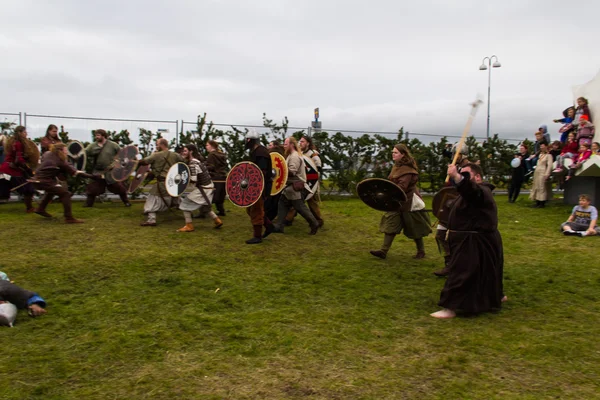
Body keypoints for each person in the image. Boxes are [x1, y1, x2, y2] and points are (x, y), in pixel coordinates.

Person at [431, 163, 505, 319]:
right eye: (461, 174)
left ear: (477, 177)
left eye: (466, 175)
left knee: (461, 273)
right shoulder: (472, 192)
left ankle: (450, 308)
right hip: (476, 240)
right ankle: (495, 298)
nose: (463, 178)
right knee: (486, 273)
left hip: (474, 242)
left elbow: (472, 191)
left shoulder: (481, 191)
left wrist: (457, 177)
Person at [369, 144, 431, 260]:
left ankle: (421, 251)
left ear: (403, 155)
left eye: (396, 152)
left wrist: (388, 194)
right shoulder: (397, 166)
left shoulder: (406, 170)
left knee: (414, 228)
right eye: (392, 152)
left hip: (408, 202)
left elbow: (402, 187)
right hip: (396, 201)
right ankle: (383, 251)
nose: (393, 154)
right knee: (391, 224)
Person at [32, 143, 96, 223]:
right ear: (60, 151)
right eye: (65, 150)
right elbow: (74, 171)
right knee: (65, 194)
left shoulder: (47, 153)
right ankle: (69, 218)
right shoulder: (60, 159)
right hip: (45, 181)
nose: (66, 152)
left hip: (36, 179)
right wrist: (92, 176)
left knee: (51, 191)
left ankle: (40, 209)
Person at [272, 136, 319, 236]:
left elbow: (292, 172)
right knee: (282, 203)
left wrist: (278, 172)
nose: (284, 145)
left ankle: (314, 223)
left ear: (292, 145)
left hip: (296, 187)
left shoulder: (294, 156)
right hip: (290, 187)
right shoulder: (290, 155)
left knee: (300, 208)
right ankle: (279, 226)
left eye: (286, 143)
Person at [177, 144, 223, 232]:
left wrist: (182, 180)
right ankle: (217, 220)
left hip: (204, 188)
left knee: (184, 204)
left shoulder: (193, 163)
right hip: (208, 186)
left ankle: (189, 225)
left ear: (191, 152)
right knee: (205, 206)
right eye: (183, 151)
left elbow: (193, 179)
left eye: (186, 151)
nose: (183, 152)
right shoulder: (196, 161)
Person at [138, 138, 183, 226]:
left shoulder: (156, 155)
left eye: (157, 144)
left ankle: (151, 220)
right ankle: (187, 211)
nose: (156, 146)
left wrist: (137, 161)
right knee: (176, 197)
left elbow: (144, 162)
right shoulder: (175, 155)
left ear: (162, 145)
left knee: (151, 200)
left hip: (162, 182)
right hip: (174, 182)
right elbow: (183, 163)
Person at [285, 135, 325, 228]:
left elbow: (318, 167)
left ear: (308, 143)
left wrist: (313, 180)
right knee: (295, 199)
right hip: (301, 181)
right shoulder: (300, 153)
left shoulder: (313, 154)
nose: (300, 143)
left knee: (311, 202)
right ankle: (288, 219)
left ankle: (318, 220)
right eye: (300, 141)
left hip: (311, 183)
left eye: (303, 141)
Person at [84, 129, 131, 208]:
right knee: (92, 188)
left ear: (103, 136)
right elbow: (84, 153)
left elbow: (122, 154)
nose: (96, 137)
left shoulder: (113, 145)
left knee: (119, 188)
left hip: (111, 171)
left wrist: (121, 163)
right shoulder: (92, 146)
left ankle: (126, 202)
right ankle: (89, 204)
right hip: (98, 171)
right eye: (96, 135)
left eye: (98, 135)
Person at [243, 130, 275, 244]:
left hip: (260, 186)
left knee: (255, 209)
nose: (246, 141)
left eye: (247, 139)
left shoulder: (261, 152)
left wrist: (254, 184)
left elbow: (261, 172)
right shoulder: (256, 151)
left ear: (251, 140)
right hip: (256, 185)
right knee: (250, 209)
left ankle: (258, 236)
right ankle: (269, 225)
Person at [0, 126, 37, 211]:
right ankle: (29, 208)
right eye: (24, 132)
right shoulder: (18, 144)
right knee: (28, 188)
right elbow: (18, 160)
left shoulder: (13, 142)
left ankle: (29, 207)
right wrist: (27, 169)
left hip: (5, 168)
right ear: (20, 133)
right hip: (11, 170)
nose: (26, 134)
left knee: (3, 192)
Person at [205, 140, 228, 217]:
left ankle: (207, 212)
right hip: (223, 177)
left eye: (207, 145)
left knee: (211, 195)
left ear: (212, 146)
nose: (206, 147)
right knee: (220, 195)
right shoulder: (222, 154)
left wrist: (204, 167)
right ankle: (221, 211)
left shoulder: (211, 155)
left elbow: (211, 166)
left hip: (215, 177)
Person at [529, 140, 553, 208]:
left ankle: (542, 203)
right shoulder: (540, 155)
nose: (541, 147)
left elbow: (549, 165)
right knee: (536, 186)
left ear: (546, 146)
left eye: (542, 145)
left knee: (541, 187)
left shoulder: (549, 156)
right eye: (540, 146)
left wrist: (547, 173)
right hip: (537, 171)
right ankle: (537, 201)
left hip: (543, 171)